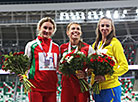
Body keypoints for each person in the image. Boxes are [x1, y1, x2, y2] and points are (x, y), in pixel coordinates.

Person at [21, 17, 59, 102]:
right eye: (45, 28)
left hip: (51, 87)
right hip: (35, 87)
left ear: (53, 31)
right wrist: (22, 74)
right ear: (39, 28)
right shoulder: (31, 45)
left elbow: (58, 67)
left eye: (50, 28)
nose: (47, 30)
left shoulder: (56, 47)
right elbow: (25, 64)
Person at [91, 16, 128, 102]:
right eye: (102, 25)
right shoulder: (95, 45)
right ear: (99, 27)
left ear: (112, 28)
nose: (104, 28)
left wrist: (106, 77)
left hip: (111, 88)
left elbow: (124, 66)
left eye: (107, 26)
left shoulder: (115, 43)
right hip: (97, 89)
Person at [60, 22, 93, 102]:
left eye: (78, 29)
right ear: (68, 33)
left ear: (81, 33)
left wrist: (85, 74)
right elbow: (58, 66)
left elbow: (92, 67)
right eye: (73, 29)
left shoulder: (88, 48)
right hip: (67, 86)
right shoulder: (62, 48)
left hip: (81, 86)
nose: (75, 31)